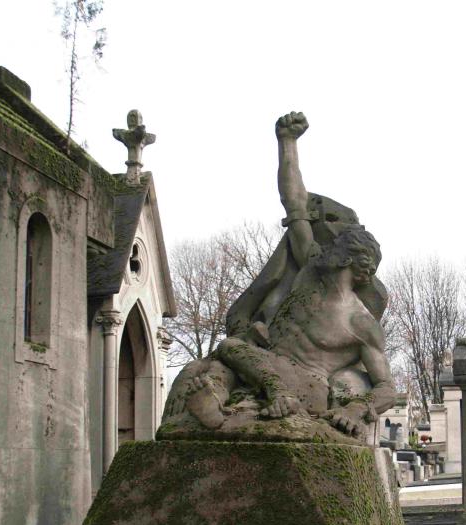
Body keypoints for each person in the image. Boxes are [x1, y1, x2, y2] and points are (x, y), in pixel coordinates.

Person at [163, 111, 395, 439]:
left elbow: (386, 386)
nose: (322, 243)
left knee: (231, 349)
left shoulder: (360, 322)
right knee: (209, 367)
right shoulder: (312, 270)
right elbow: (294, 202)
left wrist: (355, 408)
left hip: (306, 383)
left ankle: (264, 398)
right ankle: (213, 405)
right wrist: (287, 143)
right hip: (261, 362)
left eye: (334, 242)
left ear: (351, 259)